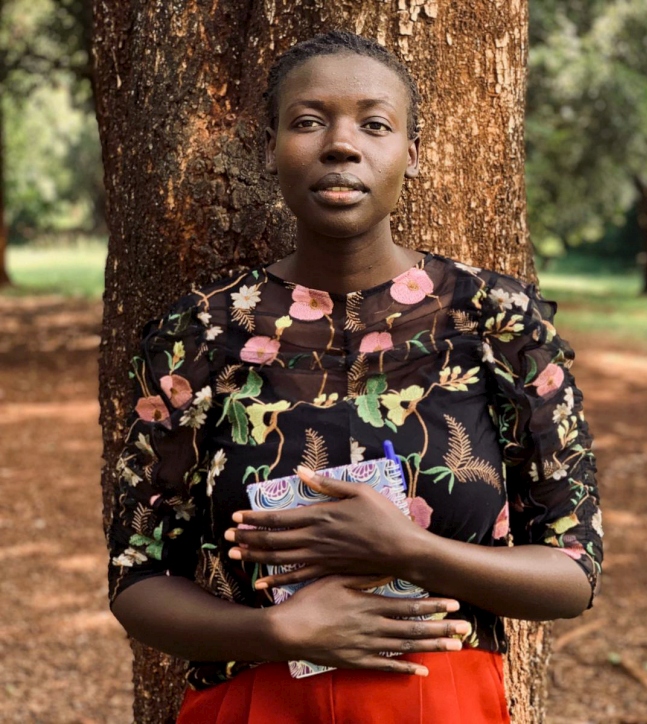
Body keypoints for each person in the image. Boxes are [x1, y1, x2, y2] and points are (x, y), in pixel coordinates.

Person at [108, 30, 602, 723]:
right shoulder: (202, 335)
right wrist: (273, 631)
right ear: (270, 149)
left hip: (444, 705)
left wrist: (409, 550)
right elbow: (139, 577)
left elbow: (573, 573)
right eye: (308, 122)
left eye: (375, 124)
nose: (342, 145)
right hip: (258, 705)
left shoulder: (496, 325)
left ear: (412, 153)